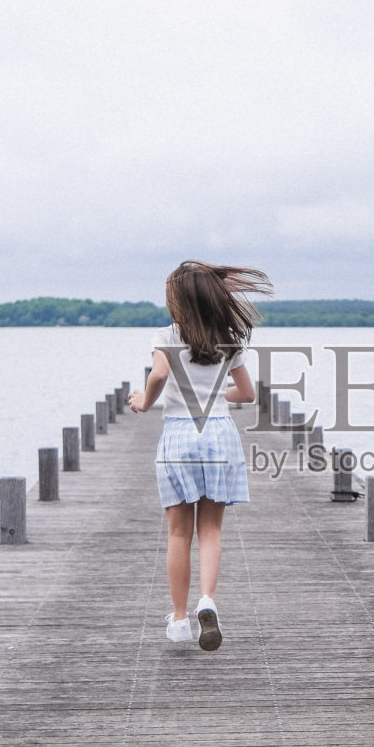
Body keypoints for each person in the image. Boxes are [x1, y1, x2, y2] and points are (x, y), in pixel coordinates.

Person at [128, 261, 271, 650]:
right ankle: (207, 600)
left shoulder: (167, 336)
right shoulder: (227, 339)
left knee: (179, 533)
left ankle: (179, 620)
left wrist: (144, 401)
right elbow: (246, 394)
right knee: (211, 530)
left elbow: (157, 376)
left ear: (178, 301)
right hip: (219, 435)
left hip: (179, 435)